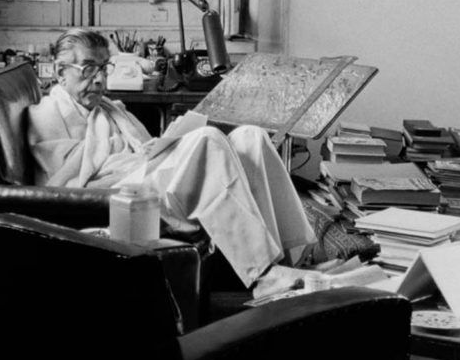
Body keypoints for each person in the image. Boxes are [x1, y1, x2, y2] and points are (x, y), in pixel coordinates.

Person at [27, 28, 318, 295]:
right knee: (207, 140)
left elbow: (136, 148)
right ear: (60, 72)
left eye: (104, 68)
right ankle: (262, 274)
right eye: (88, 68)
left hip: (142, 175)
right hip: (119, 197)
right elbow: (63, 185)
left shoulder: (108, 109)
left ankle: (287, 257)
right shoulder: (46, 114)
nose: (101, 79)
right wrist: (139, 159)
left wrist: (161, 145)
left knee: (251, 137)